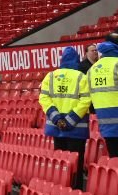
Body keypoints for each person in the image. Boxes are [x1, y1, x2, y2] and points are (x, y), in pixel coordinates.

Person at [37, 47, 90, 184]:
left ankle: (62, 190)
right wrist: (69, 120)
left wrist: (57, 119)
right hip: (76, 129)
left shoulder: (50, 76)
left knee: (61, 164)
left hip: (57, 127)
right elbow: (86, 101)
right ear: (77, 60)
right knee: (75, 164)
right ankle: (75, 191)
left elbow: (44, 99)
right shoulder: (81, 77)